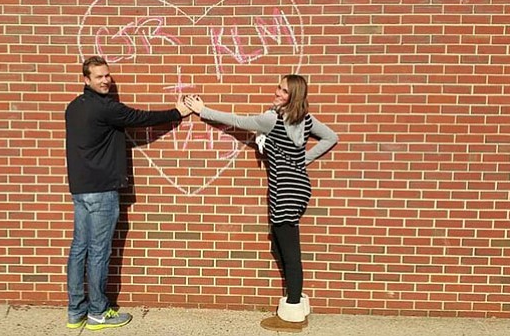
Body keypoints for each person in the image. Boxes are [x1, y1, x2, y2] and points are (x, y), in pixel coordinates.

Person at [183, 74, 338, 333]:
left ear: (294, 97)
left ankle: (292, 314)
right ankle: (296, 303)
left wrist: (202, 110)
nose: (277, 92)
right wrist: (302, 162)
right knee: (281, 246)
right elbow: (330, 137)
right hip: (298, 187)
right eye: (279, 87)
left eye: (284, 91)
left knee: (289, 253)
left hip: (286, 191)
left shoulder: (272, 119)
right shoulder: (304, 119)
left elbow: (237, 121)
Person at [65, 55, 191, 330]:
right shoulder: (105, 108)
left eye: (107, 75)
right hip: (101, 191)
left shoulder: (74, 107)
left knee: (79, 249)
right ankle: (98, 312)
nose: (105, 80)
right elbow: (140, 118)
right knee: (98, 252)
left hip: (81, 190)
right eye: (99, 77)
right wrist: (176, 112)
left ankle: (76, 311)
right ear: (86, 79)